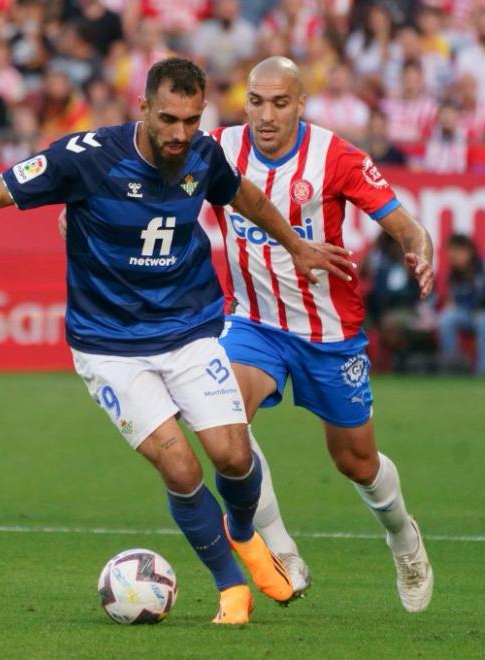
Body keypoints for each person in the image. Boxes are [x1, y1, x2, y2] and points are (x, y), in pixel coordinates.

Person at [0, 57, 353, 625]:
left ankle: (242, 532)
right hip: (109, 345)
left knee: (234, 457)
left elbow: (245, 197)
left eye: (192, 120)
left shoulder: (202, 154)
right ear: (142, 107)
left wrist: (295, 245)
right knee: (182, 469)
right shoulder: (86, 157)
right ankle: (231, 589)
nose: (180, 134)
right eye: (169, 119)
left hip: (189, 331)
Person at [212, 56, 434, 612]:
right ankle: (283, 550)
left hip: (328, 331)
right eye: (256, 101)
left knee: (355, 461)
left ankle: (404, 537)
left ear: (300, 104)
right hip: (252, 321)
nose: (266, 115)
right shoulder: (217, 148)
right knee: (222, 424)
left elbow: (403, 222)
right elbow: (145, 170)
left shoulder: (333, 155)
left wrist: (418, 247)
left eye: (279, 103)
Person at [437, 234, 485, 375]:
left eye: (456, 251)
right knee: (446, 319)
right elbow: (452, 300)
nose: (453, 256)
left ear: (468, 251)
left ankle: (481, 371)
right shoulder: (454, 274)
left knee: (483, 322)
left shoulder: (481, 268)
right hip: (464, 312)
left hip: (482, 313)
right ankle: (453, 367)